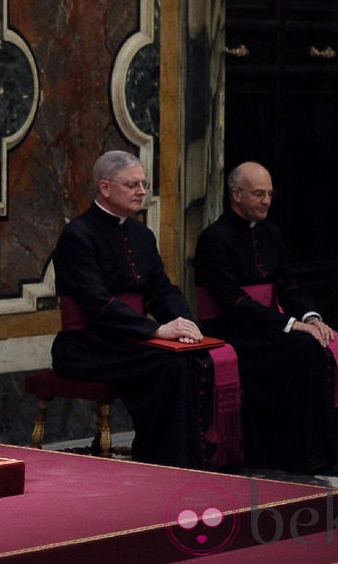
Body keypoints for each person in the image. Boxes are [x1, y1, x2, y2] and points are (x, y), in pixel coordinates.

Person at [51, 150, 219, 469]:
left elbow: (161, 290)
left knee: (192, 358)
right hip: (88, 345)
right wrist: (155, 330)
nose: (142, 191)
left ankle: (188, 460)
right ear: (105, 187)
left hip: (127, 342)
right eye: (132, 185)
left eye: (144, 183)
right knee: (168, 365)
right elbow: (96, 302)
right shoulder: (78, 235)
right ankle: (160, 462)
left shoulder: (141, 234)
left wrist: (183, 323)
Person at [193, 161, 338, 475]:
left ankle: (328, 450)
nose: (267, 201)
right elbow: (233, 301)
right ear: (237, 195)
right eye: (259, 194)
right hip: (232, 328)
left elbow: (288, 284)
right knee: (303, 348)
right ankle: (301, 454)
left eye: (270, 194)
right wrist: (288, 324)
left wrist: (310, 317)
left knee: (316, 342)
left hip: (267, 326)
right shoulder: (213, 239)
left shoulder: (271, 232)